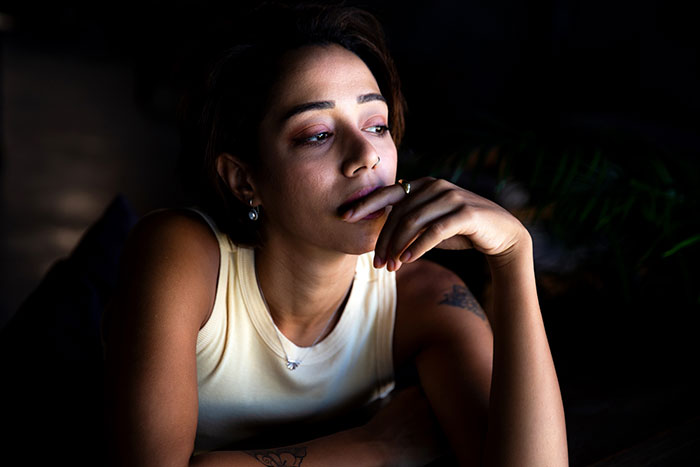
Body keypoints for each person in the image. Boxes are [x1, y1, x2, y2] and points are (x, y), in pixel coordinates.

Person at [103, 2, 568, 466]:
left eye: (377, 125)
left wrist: (513, 256)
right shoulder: (180, 254)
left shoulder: (422, 299)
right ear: (245, 180)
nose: (366, 155)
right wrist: (376, 446)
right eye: (317, 134)